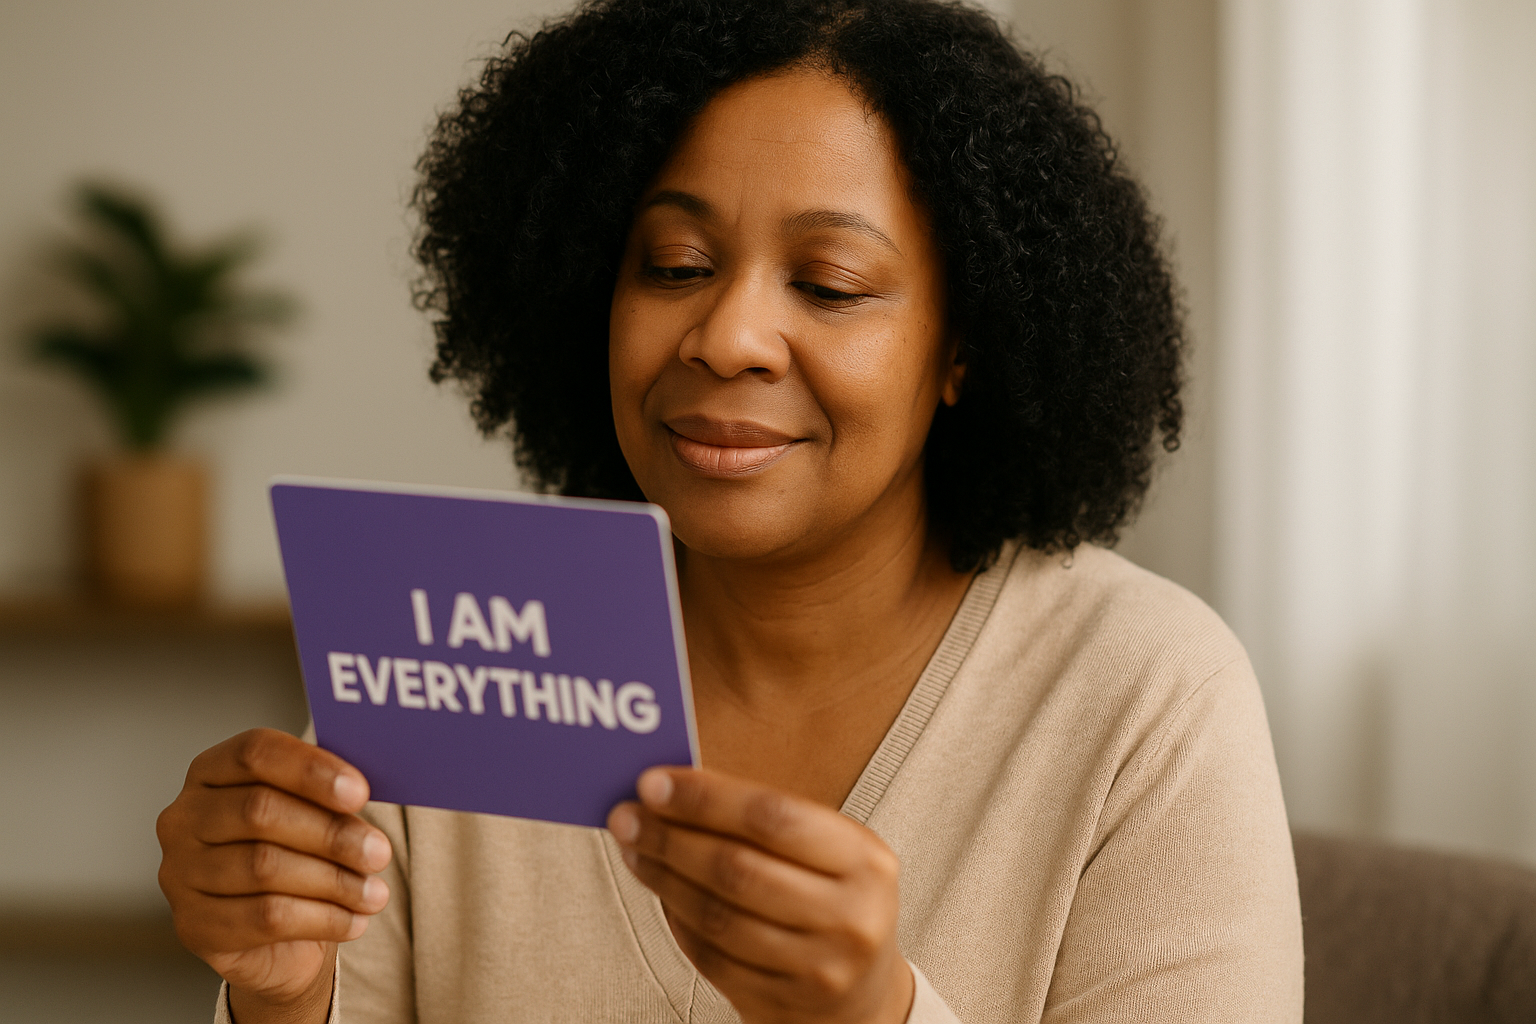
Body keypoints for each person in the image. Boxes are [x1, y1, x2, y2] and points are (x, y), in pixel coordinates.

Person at [156, 1, 1304, 1021]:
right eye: (674, 264)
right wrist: (286, 995)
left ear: (963, 346)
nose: (727, 335)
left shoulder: (1146, 697)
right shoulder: (455, 643)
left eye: (829, 284)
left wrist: (874, 1016)